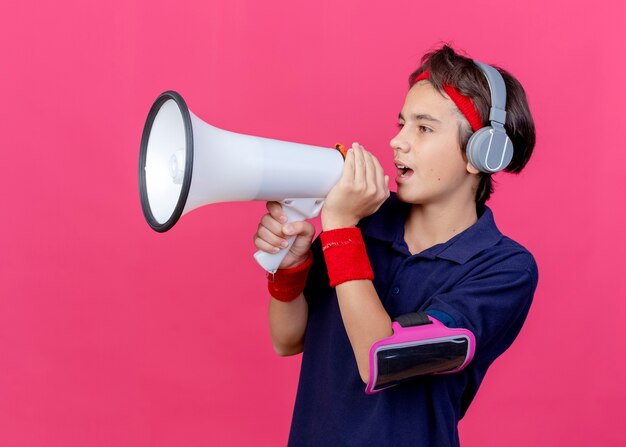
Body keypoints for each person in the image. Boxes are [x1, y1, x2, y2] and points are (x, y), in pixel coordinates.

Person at [253, 44, 538, 447]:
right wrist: (291, 267)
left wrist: (337, 229)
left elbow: (382, 360)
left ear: (481, 153)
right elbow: (287, 339)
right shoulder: (367, 220)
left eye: (423, 128)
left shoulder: (504, 268)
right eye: (401, 123)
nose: (396, 141)